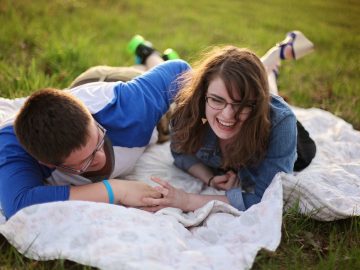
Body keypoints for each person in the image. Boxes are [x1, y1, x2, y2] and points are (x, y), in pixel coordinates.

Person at [0, 48, 191, 219]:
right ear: (47, 163)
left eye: (98, 140)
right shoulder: (15, 147)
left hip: (110, 80)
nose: (99, 157)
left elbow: (179, 70)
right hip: (73, 94)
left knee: (168, 107)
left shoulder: (126, 105)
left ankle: (150, 54)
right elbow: (18, 206)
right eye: (85, 161)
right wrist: (115, 189)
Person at [141, 31, 317, 212]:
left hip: (279, 132)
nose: (228, 115)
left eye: (242, 104)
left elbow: (265, 198)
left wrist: (186, 200)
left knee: (267, 96)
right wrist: (209, 178)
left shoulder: (279, 123)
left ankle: (274, 60)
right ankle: (271, 65)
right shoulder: (189, 107)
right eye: (217, 100)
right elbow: (180, 153)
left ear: (256, 103)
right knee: (239, 86)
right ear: (203, 95)